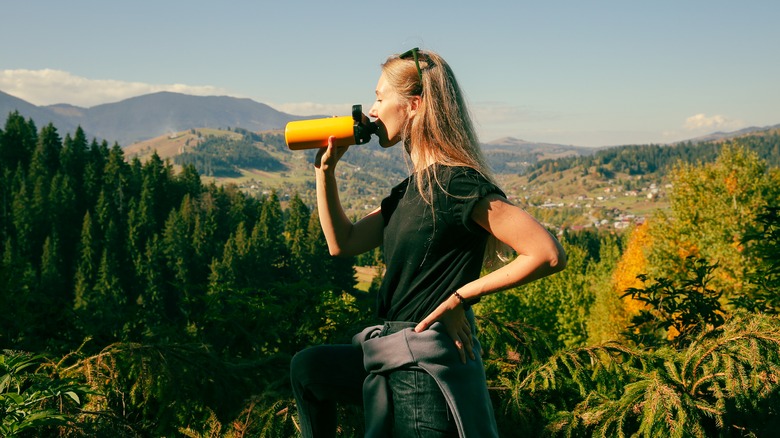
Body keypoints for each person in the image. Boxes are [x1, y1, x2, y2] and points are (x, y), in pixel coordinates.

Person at [290, 47, 567, 437]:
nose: (371, 110)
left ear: (414, 105)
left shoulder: (457, 183)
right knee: (309, 369)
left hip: (423, 368)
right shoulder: (406, 192)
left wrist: (459, 298)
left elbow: (546, 253)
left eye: (381, 98)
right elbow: (344, 243)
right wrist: (325, 173)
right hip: (389, 354)